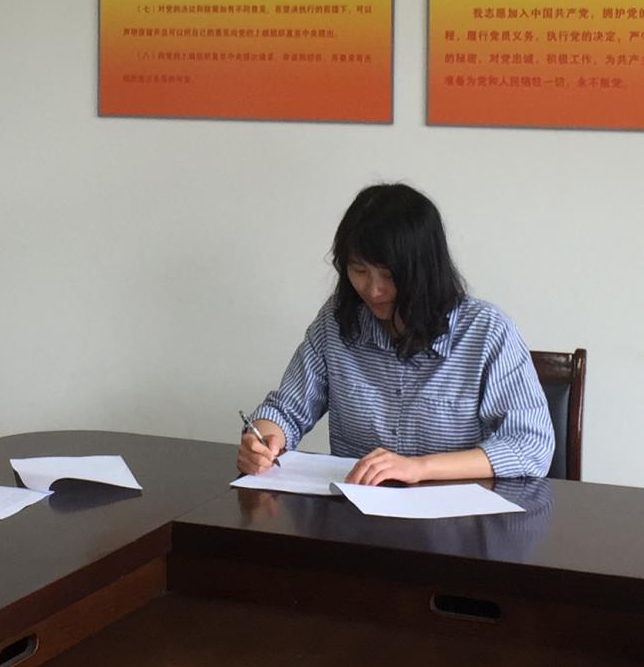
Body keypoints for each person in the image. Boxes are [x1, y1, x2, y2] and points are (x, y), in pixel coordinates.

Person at [237, 183, 553, 484]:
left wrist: (418, 468)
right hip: (354, 511)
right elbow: (287, 409)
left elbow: (531, 445)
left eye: (389, 275)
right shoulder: (337, 321)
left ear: (425, 270)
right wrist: (263, 439)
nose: (373, 290)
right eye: (359, 270)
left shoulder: (487, 331)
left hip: (453, 515)